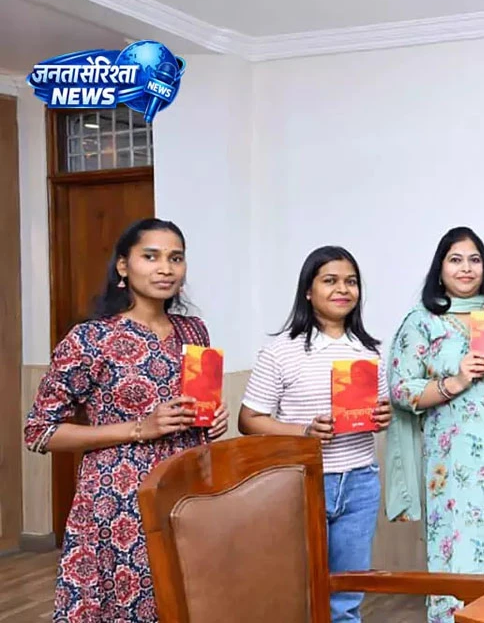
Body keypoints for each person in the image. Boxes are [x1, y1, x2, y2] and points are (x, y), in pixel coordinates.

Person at [24, 218, 229, 622]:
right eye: (150, 257)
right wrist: (140, 428)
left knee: (187, 603)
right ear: (123, 266)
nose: (165, 268)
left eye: (175, 258)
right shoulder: (90, 339)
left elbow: (198, 410)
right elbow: (40, 432)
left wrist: (211, 421)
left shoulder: (194, 331)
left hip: (187, 492)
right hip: (118, 502)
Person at [384, 227, 484, 623]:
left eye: (475, 260)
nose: (466, 268)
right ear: (440, 269)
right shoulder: (423, 321)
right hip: (455, 465)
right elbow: (401, 389)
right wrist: (454, 381)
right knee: (461, 553)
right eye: (455, 259)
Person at [238, 245, 392, 623]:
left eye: (351, 282)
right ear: (308, 290)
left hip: (360, 481)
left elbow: (378, 409)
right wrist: (303, 431)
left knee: (347, 595)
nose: (343, 289)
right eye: (330, 281)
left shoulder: (369, 351)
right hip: (302, 481)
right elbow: (249, 419)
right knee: (299, 588)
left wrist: (382, 415)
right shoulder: (280, 351)